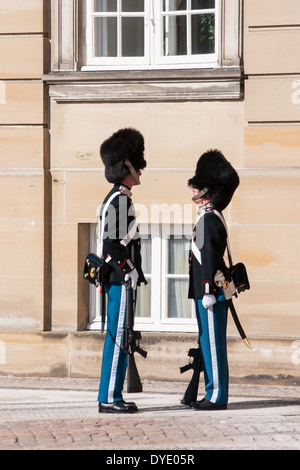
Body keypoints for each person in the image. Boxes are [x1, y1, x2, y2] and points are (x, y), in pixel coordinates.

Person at [97, 128, 147, 414]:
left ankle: (109, 394)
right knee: (119, 338)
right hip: (120, 280)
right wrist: (129, 271)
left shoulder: (116, 196)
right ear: (126, 167)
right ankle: (110, 398)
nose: (139, 170)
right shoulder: (120, 199)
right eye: (135, 165)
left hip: (118, 278)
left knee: (117, 336)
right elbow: (112, 243)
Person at [187, 149, 239, 410]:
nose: (193, 191)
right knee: (208, 343)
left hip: (211, 292)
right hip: (208, 291)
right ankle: (212, 391)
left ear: (208, 189)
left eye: (198, 187)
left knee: (213, 345)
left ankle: (217, 395)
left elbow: (207, 256)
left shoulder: (209, 218)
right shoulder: (208, 217)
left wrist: (207, 289)